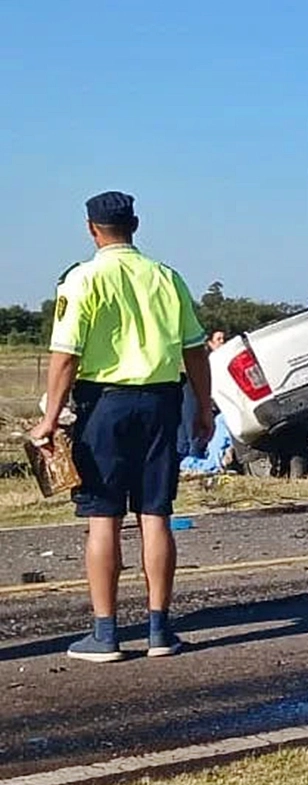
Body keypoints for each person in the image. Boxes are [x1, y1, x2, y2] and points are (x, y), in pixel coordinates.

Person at [29, 191, 213, 663]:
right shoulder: (166, 276)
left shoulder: (82, 278)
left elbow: (66, 355)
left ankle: (105, 633)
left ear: (92, 229)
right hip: (161, 401)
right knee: (156, 513)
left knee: (103, 517)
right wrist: (204, 409)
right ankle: (159, 630)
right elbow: (195, 349)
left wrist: (49, 419)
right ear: (136, 225)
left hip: (104, 405)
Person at [178, 329, 225, 459]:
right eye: (218, 339)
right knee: (191, 427)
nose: (222, 342)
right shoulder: (203, 360)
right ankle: (193, 457)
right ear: (210, 342)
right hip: (190, 386)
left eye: (223, 339)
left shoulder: (221, 359)